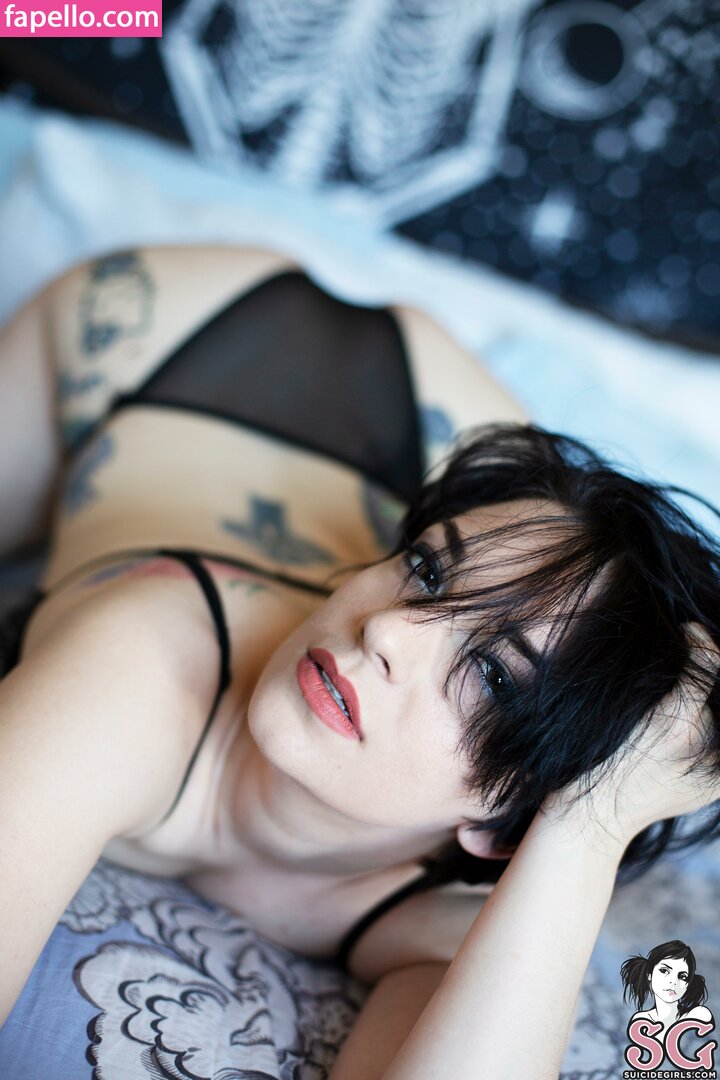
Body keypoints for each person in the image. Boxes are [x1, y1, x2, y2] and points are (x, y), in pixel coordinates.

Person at [0, 244, 719, 1079]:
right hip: (177, 337)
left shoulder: (436, 908)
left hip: (411, 441)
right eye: (426, 569)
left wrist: (585, 831)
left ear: (499, 823)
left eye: (492, 676)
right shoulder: (141, 666)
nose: (387, 631)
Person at [622, 940, 713, 1042]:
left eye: (682, 977)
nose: (673, 982)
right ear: (649, 974)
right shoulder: (641, 1020)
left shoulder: (699, 1015)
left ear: (688, 984)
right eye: (664, 971)